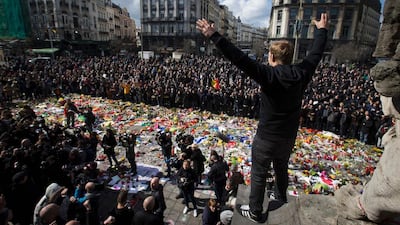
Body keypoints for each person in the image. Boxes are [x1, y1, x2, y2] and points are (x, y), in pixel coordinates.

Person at [196, 13, 328, 222]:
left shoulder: (268, 75)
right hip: (287, 137)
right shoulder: (301, 73)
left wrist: (213, 35)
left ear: (272, 57)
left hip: (266, 138)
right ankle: (280, 194)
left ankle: (256, 211)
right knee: (281, 165)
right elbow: (315, 54)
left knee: (259, 173)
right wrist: (321, 30)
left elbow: (238, 58)